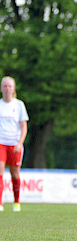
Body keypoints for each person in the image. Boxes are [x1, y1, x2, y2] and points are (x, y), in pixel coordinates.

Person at [0, 76, 29, 212]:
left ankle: (16, 202)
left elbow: (23, 126)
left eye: (9, 86)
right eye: (5, 86)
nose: (7, 88)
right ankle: (0, 203)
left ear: (13, 89)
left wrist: (20, 143)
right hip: (1, 143)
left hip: (14, 144)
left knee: (15, 174)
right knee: (0, 171)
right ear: (1, 88)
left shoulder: (19, 105)